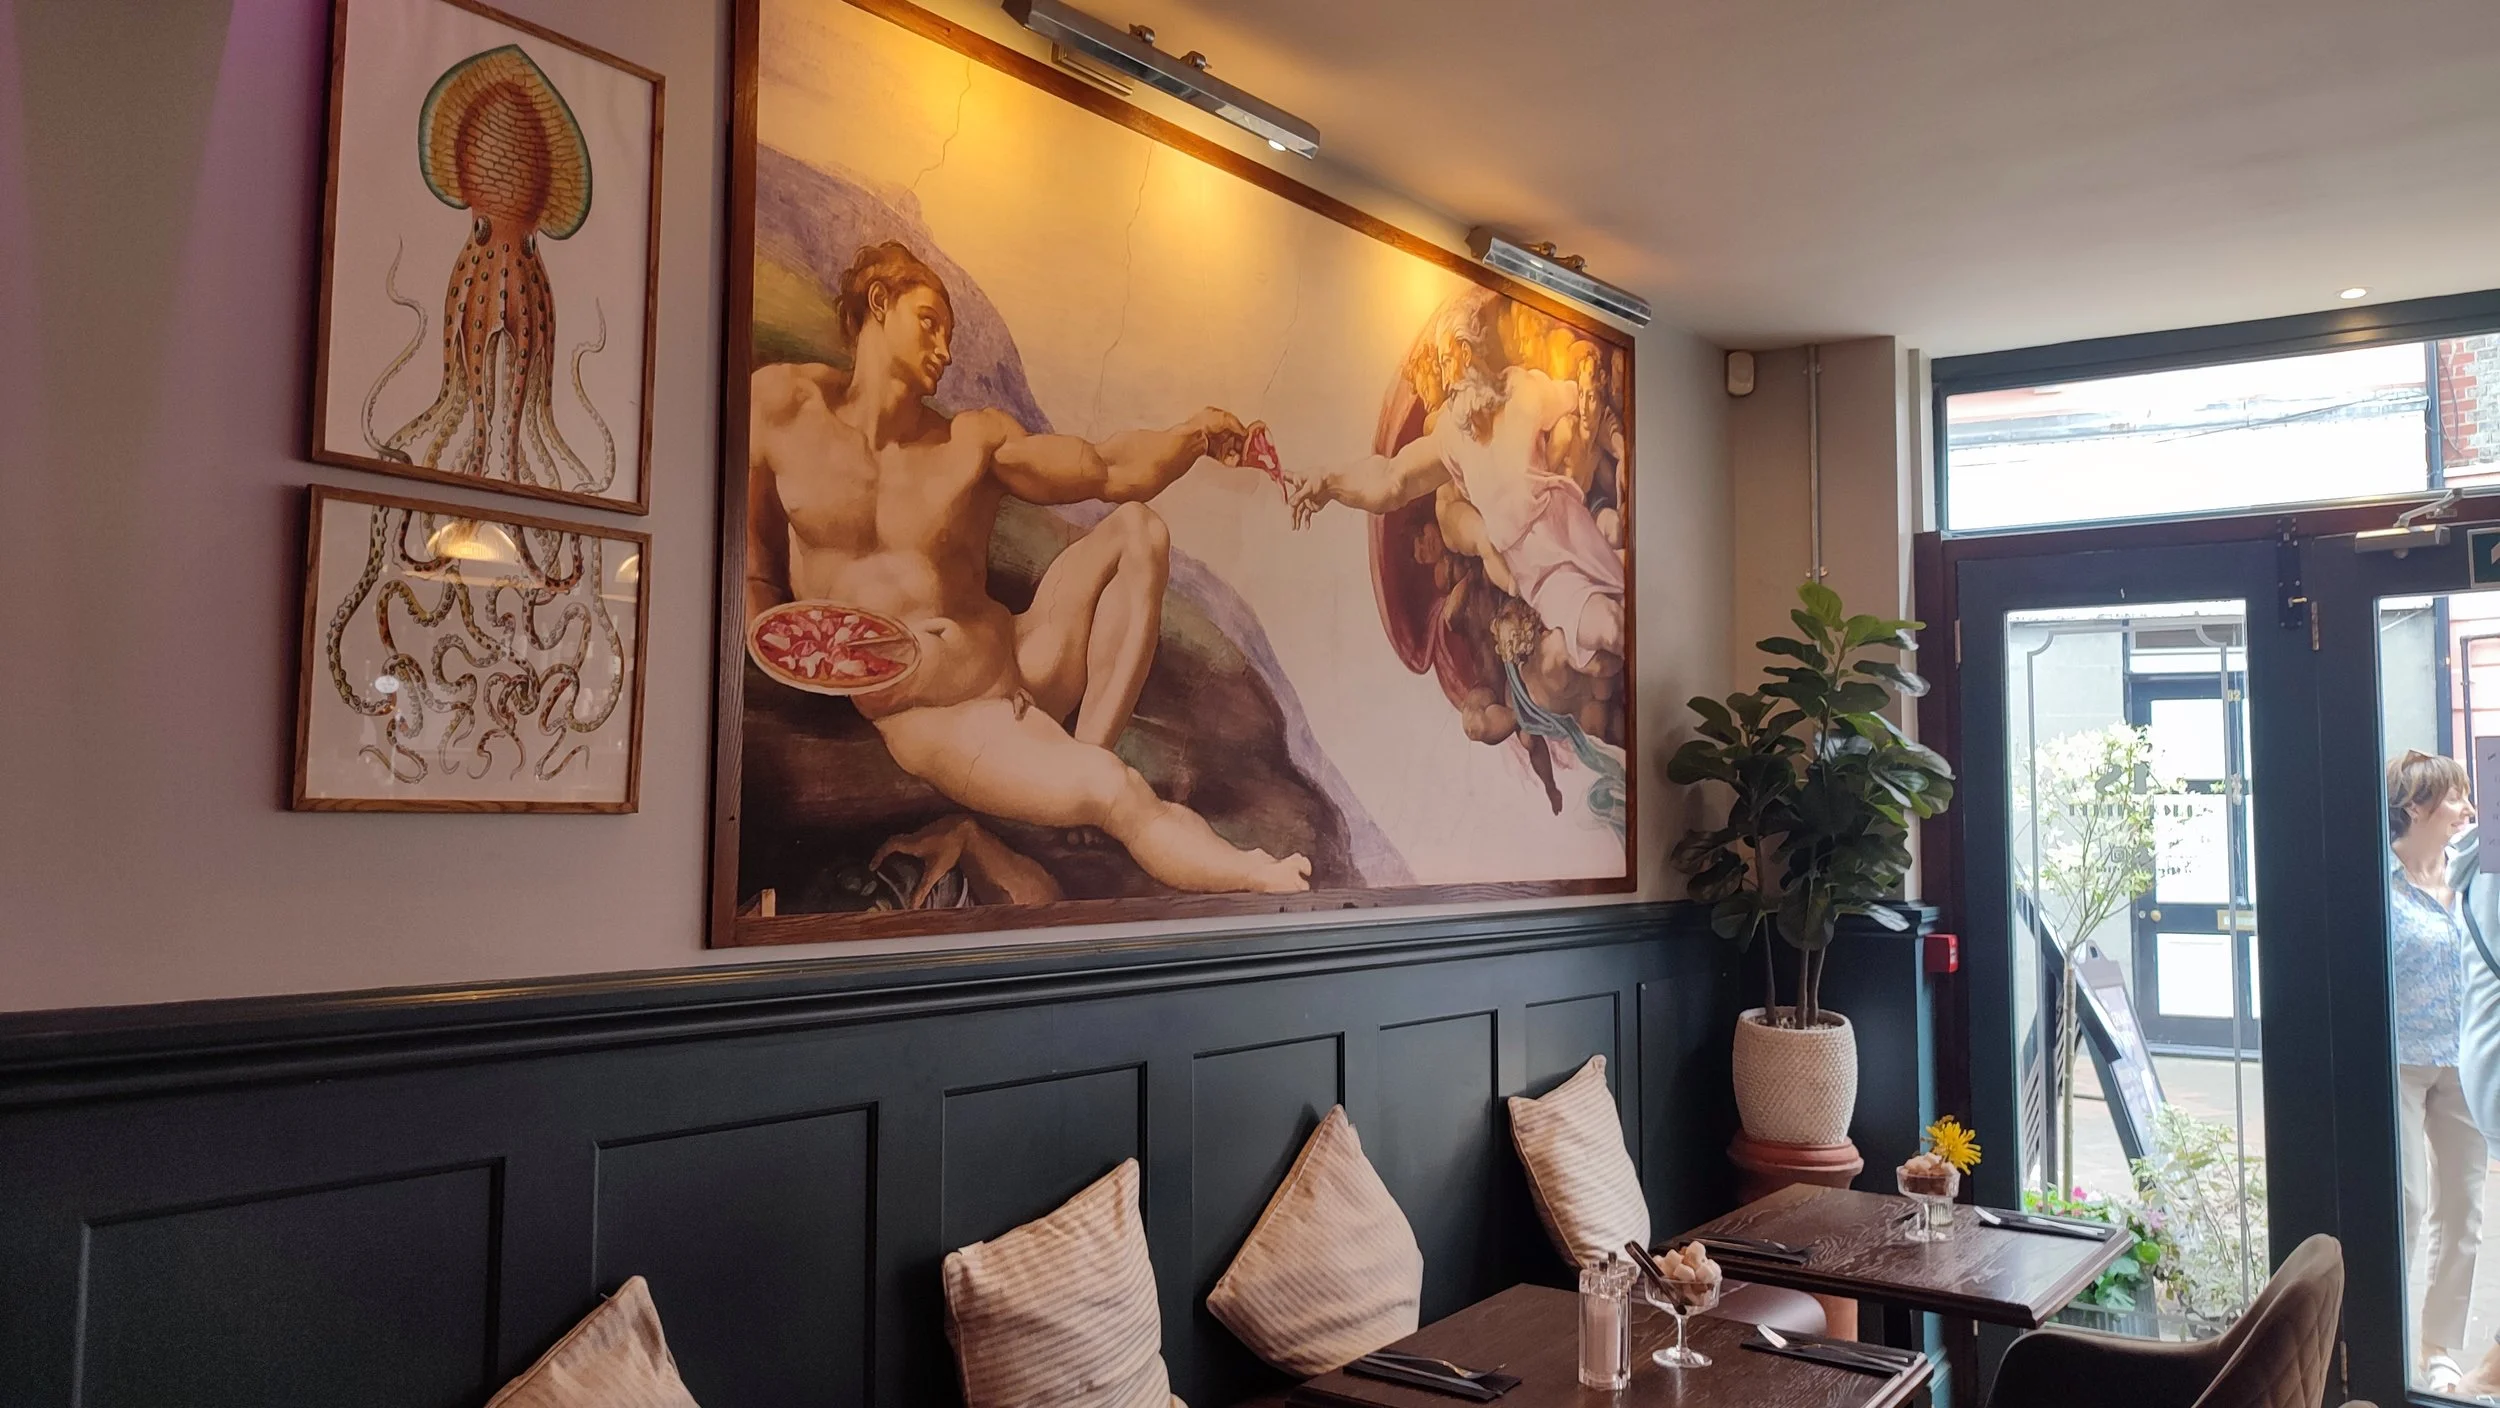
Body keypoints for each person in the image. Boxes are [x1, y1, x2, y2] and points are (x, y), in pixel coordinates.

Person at [746, 241, 1311, 896]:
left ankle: (1090, 746)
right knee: (1118, 791)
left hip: (1021, 657)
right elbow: (756, 569)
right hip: (949, 714)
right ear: (879, 303)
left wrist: (1193, 436)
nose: (945, 349)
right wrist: (769, 636)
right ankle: (1253, 872)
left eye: (950, 334)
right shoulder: (783, 406)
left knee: (1136, 529)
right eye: (930, 321)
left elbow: (1106, 469)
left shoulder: (970, 442)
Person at [1283, 333, 1625, 683]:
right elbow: (1391, 478)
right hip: (1538, 571)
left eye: (1447, 362)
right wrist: (1330, 481)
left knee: (1621, 627)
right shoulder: (1451, 436)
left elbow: (1586, 405)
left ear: (1466, 351)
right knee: (1609, 629)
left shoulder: (1524, 390)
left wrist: (1622, 451)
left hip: (1567, 527)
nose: (1447, 380)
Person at [2387, 749, 2483, 1393]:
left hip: (2464, 1060)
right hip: (2396, 1058)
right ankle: (2384, 1335)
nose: (2467, 810)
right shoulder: (2376, 880)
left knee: (2464, 1208)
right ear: (2415, 806)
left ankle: (2438, 1347)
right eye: (2453, 799)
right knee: (2407, 1203)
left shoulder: (2472, 872)